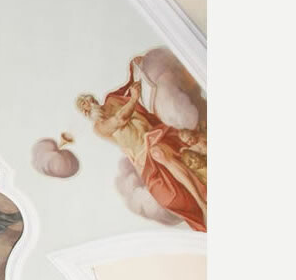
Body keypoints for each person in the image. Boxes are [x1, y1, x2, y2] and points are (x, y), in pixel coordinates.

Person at [77, 56, 207, 230]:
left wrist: (135, 73)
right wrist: (134, 98)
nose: (88, 105)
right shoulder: (100, 127)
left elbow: (127, 89)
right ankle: (199, 202)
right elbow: (120, 119)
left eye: (87, 101)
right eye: (85, 107)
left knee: (177, 140)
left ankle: (202, 199)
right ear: (86, 113)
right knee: (165, 187)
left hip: (156, 134)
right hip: (143, 156)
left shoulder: (111, 100)